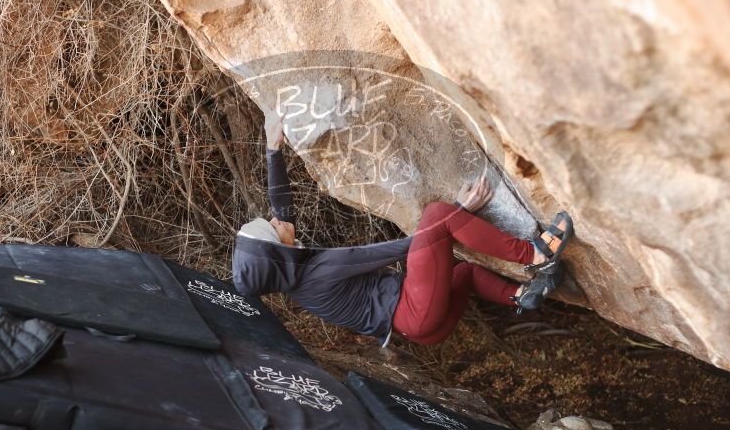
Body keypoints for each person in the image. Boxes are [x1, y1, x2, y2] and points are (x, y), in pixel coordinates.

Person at [232, 110, 573, 347]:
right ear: (281, 253)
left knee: (465, 273)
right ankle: (536, 254)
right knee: (436, 214)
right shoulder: (320, 272)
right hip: (414, 309)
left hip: (419, 330)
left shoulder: (297, 276)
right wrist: (458, 211)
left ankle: (522, 295)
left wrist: (273, 149)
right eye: (274, 230)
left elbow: (282, 208)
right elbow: (404, 248)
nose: (277, 221)